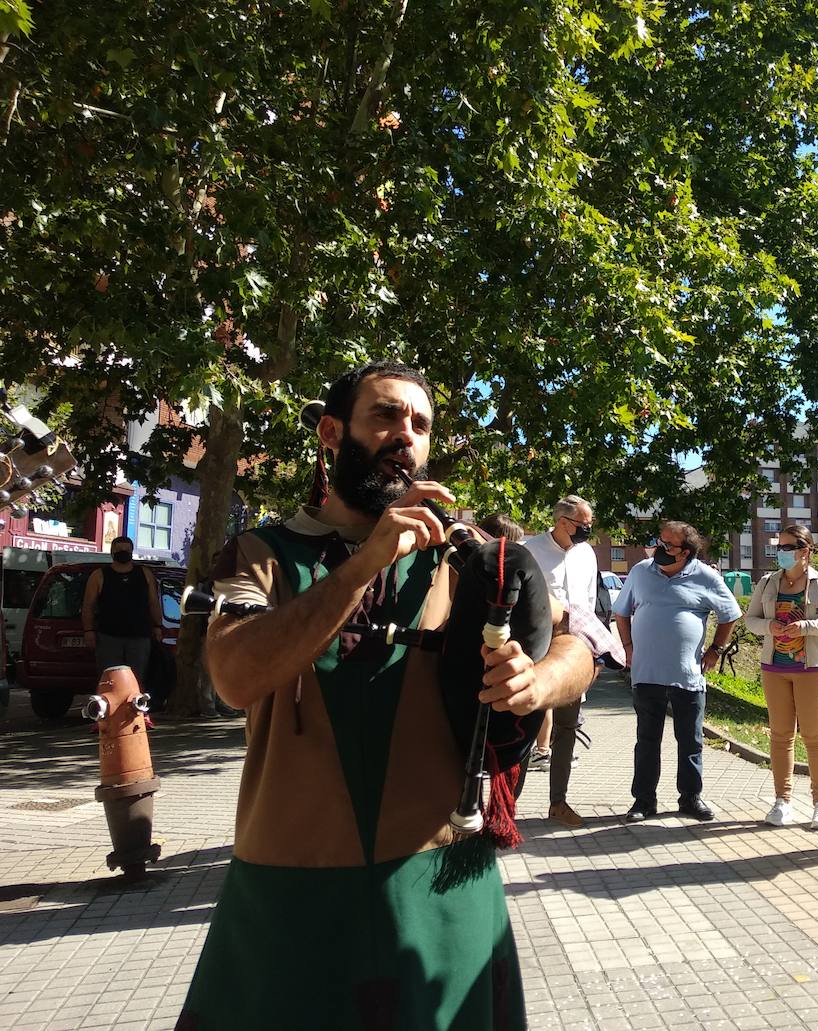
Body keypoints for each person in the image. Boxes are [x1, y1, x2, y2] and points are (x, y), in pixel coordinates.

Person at [178, 361, 595, 1030]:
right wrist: (366, 560)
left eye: (421, 424)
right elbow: (235, 673)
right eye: (386, 416)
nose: (406, 434)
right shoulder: (258, 552)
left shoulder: (470, 556)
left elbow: (580, 648)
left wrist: (540, 679)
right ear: (332, 432)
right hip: (291, 895)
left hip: (441, 886)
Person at [613, 520, 741, 823]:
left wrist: (716, 649)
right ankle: (643, 801)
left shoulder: (706, 576)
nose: (660, 548)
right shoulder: (641, 571)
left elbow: (730, 614)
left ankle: (690, 799)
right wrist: (628, 646)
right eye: (660, 541)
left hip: (688, 676)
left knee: (690, 742)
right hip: (646, 674)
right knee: (646, 741)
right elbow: (621, 612)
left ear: (685, 552)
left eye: (668, 545)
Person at [744, 524, 818, 831]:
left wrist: (806, 627)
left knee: (815, 736)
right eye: (780, 547)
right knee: (780, 735)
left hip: (812, 669)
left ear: (805, 551)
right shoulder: (767, 582)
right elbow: (750, 620)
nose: (781, 553)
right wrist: (769, 627)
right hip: (774, 667)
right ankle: (782, 802)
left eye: (787, 547)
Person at [522, 495, 598, 829]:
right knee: (523, 729)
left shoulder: (587, 554)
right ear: (563, 522)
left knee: (568, 728)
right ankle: (505, 806)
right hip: (536, 651)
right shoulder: (529, 550)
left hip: (574, 650)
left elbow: (591, 601)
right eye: (584, 525)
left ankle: (559, 803)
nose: (588, 531)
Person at [81, 536, 160, 685]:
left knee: (137, 680)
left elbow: (153, 602)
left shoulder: (145, 574)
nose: (123, 553)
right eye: (119, 550)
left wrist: (157, 625)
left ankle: (134, 707)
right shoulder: (99, 575)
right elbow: (88, 605)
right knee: (110, 680)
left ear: (131, 552)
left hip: (140, 636)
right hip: (109, 637)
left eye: (126, 550)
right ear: (111, 552)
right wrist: (88, 631)